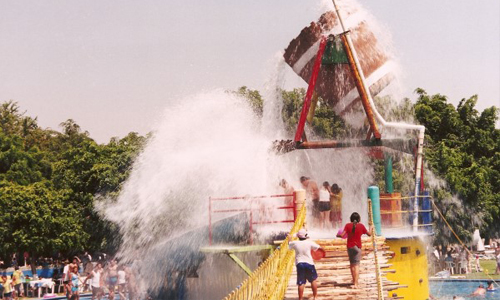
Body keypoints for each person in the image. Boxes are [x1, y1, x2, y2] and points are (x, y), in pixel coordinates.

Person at [337, 212, 370, 289]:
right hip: (357, 247)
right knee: (357, 265)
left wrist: (337, 235)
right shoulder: (361, 226)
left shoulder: (347, 225)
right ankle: (356, 283)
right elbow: (369, 234)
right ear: (359, 219)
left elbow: (342, 235)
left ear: (351, 219)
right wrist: (371, 227)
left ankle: (353, 280)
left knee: (352, 264)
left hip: (350, 246)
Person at [289, 229, 322, 300]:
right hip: (309, 263)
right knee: (313, 280)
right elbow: (319, 248)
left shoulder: (295, 243)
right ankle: (315, 297)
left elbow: (289, 245)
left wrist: (289, 238)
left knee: (301, 282)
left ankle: (300, 298)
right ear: (306, 236)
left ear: (298, 236)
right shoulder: (309, 242)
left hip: (300, 264)